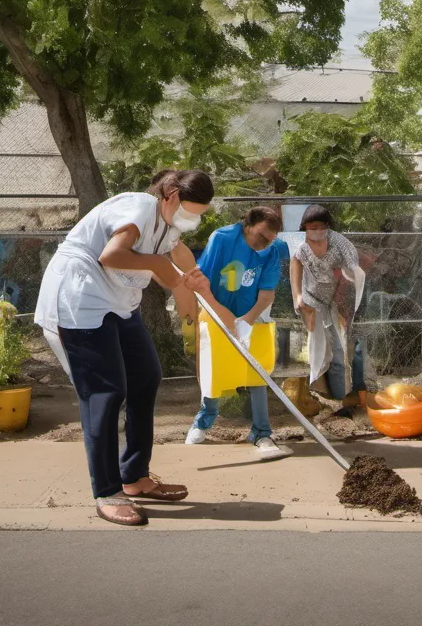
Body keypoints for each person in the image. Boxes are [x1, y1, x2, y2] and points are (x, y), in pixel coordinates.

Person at [34, 169, 213, 526]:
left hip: (117, 301)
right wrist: (164, 271)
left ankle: (134, 476)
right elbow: (112, 255)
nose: (192, 220)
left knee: (146, 375)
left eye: (199, 216)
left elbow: (181, 259)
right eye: (191, 211)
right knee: (105, 392)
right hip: (80, 298)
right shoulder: (139, 209)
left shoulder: (168, 226)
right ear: (172, 196)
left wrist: (194, 284)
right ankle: (106, 491)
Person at [184, 206, 291, 460]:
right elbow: (202, 283)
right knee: (215, 370)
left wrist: (246, 322)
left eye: (271, 239)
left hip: (252, 316)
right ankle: (203, 422)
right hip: (215, 311)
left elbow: (267, 293)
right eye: (262, 236)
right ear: (248, 225)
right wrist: (225, 317)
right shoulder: (222, 239)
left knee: (257, 373)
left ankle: (262, 432)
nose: (265, 244)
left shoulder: (271, 251)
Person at [289, 205, 367, 412]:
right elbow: (295, 262)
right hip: (312, 299)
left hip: (341, 300)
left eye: (318, 227)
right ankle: (321, 395)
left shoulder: (342, 245)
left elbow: (353, 276)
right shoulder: (301, 242)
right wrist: (298, 296)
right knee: (319, 347)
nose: (314, 231)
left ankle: (348, 396)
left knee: (343, 348)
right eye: (309, 227)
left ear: (327, 227)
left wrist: (342, 309)